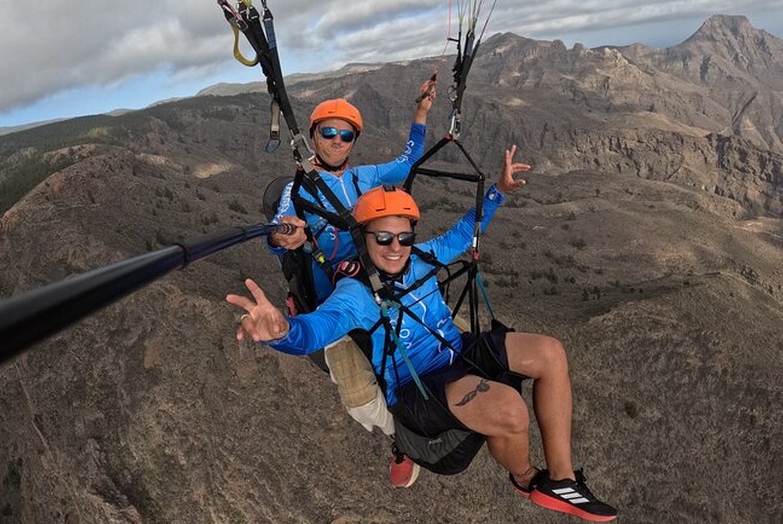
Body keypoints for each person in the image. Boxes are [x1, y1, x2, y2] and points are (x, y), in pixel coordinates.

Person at [228, 146, 618, 522]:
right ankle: (527, 478)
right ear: (363, 238)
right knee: (510, 408)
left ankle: (562, 480)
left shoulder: (420, 258)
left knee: (550, 352)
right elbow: (318, 329)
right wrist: (282, 332)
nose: (395, 248)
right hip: (418, 385)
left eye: (404, 237)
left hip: (455, 350)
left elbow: (462, 234)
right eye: (382, 238)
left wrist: (498, 191)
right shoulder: (356, 293)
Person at [265, 79, 437, 487]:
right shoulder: (298, 188)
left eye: (346, 135)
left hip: (381, 280)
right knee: (359, 397)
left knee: (440, 339)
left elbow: (408, 161)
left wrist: (421, 114)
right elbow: (278, 227)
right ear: (313, 135)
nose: (336, 141)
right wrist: (283, 236)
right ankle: (402, 437)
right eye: (329, 132)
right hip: (338, 299)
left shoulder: (364, 177)